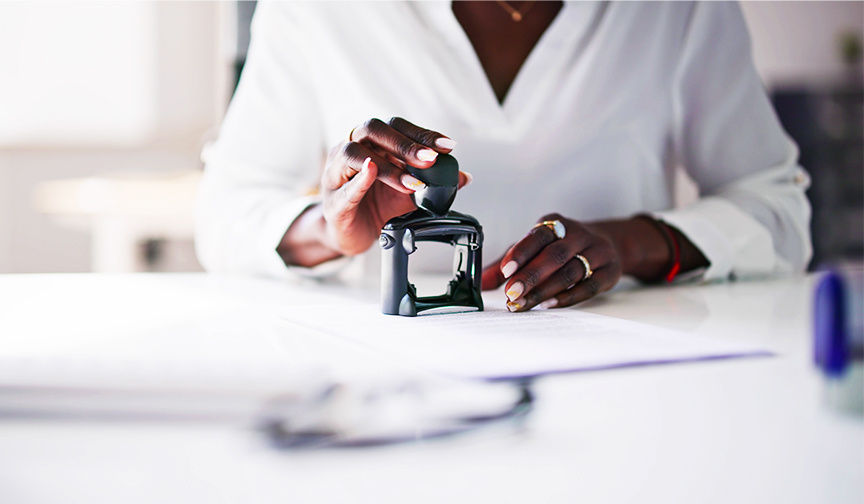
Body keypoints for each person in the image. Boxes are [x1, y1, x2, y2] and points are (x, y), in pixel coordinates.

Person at [195, 1, 812, 312]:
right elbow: (224, 217)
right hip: (384, 380)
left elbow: (780, 214)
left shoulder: (675, 9)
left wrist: (633, 242)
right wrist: (331, 229)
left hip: (625, 369)